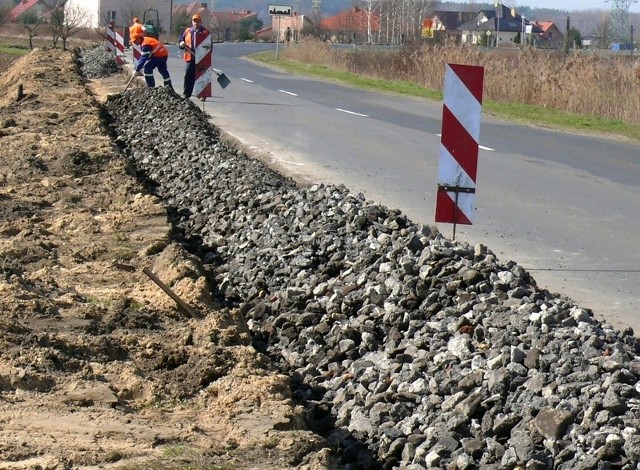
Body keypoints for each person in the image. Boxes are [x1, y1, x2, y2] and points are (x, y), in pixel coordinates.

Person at [178, 13, 210, 99]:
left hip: (202, 57)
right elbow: (181, 39)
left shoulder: (205, 32)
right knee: (188, 75)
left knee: (202, 76)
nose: (196, 23)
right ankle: (186, 94)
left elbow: (209, 46)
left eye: (198, 21)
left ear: (201, 22)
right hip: (190, 56)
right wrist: (181, 43)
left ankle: (202, 95)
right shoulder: (187, 31)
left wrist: (205, 56)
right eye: (194, 21)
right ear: (192, 22)